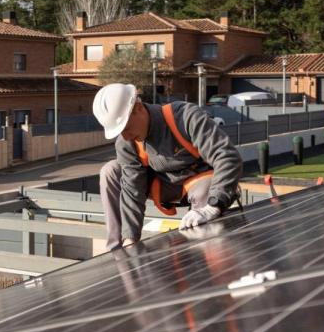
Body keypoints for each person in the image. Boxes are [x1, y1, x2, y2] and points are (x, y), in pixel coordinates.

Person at [93, 83, 243, 250]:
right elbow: (132, 189)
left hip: (201, 184)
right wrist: (130, 239)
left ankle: (200, 254)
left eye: (126, 127)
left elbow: (226, 156)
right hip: (163, 185)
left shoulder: (184, 117)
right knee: (111, 171)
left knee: (206, 192)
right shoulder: (127, 142)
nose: (125, 136)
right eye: (120, 131)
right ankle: (117, 248)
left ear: (138, 107)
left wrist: (214, 204)